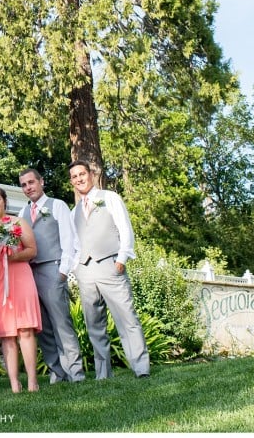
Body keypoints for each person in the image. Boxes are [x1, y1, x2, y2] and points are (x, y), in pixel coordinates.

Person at [68, 160, 151, 379]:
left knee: (127, 318)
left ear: (91, 174)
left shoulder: (109, 198)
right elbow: (75, 244)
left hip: (110, 265)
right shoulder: (73, 211)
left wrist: (121, 259)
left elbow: (125, 229)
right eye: (74, 177)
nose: (79, 179)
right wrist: (76, 268)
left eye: (82, 174)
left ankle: (141, 368)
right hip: (85, 271)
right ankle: (103, 373)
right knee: (94, 323)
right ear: (71, 182)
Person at [18, 168, 86, 384]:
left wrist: (63, 272)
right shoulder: (22, 213)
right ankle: (57, 371)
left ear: (41, 182)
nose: (28, 187)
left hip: (52, 268)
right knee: (43, 326)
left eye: (31, 182)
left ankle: (76, 373)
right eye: (24, 185)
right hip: (30, 273)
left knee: (61, 323)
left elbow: (69, 240)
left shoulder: (57, 205)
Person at [0, 184, 41, 393]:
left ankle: (32, 380)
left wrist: (14, 255)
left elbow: (32, 250)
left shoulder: (18, 222)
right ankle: (14, 382)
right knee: (6, 333)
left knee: (25, 329)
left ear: (4, 201)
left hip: (20, 276)